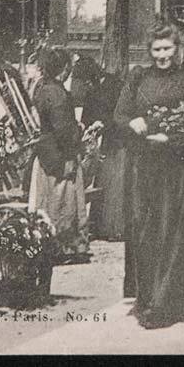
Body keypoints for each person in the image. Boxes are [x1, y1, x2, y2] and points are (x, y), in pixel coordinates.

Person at [113, 23, 184, 329]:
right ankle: (149, 297)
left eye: (167, 49)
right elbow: (119, 115)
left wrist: (174, 140)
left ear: (178, 49)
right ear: (150, 51)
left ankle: (166, 304)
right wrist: (132, 121)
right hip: (144, 168)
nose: (162, 55)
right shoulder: (138, 79)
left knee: (175, 231)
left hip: (177, 170)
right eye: (156, 50)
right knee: (147, 231)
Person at [29, 48, 90, 262]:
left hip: (46, 152)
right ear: (64, 70)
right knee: (64, 201)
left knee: (48, 200)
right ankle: (63, 247)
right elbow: (64, 130)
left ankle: (47, 242)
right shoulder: (58, 94)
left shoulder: (41, 87)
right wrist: (79, 132)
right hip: (61, 154)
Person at [75, 57, 130, 242]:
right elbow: (86, 119)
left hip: (121, 139)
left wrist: (101, 125)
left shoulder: (115, 86)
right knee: (106, 179)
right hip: (109, 141)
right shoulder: (98, 89)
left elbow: (121, 114)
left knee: (115, 181)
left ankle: (115, 227)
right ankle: (100, 226)